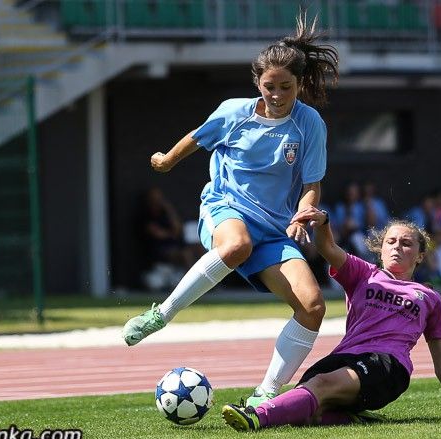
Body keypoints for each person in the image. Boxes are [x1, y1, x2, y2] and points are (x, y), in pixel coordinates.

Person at [122, 13, 340, 408]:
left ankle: (265, 395)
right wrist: (167, 160)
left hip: (274, 231)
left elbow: (312, 186)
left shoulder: (310, 124)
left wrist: (303, 213)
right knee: (237, 245)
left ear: (299, 83)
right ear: (257, 82)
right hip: (226, 208)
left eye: (286, 87)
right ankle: (161, 314)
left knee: (313, 307)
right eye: (269, 86)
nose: (277, 95)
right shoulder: (233, 113)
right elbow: (197, 137)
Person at [221, 208, 441, 431]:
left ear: (420, 256)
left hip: (387, 364)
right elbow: (327, 248)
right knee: (305, 411)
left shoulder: (429, 298)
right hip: (344, 356)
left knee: (320, 385)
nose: (397, 246)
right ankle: (353, 418)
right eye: (391, 241)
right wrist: (323, 222)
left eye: (406, 243)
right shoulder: (364, 274)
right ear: (381, 249)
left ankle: (256, 416)